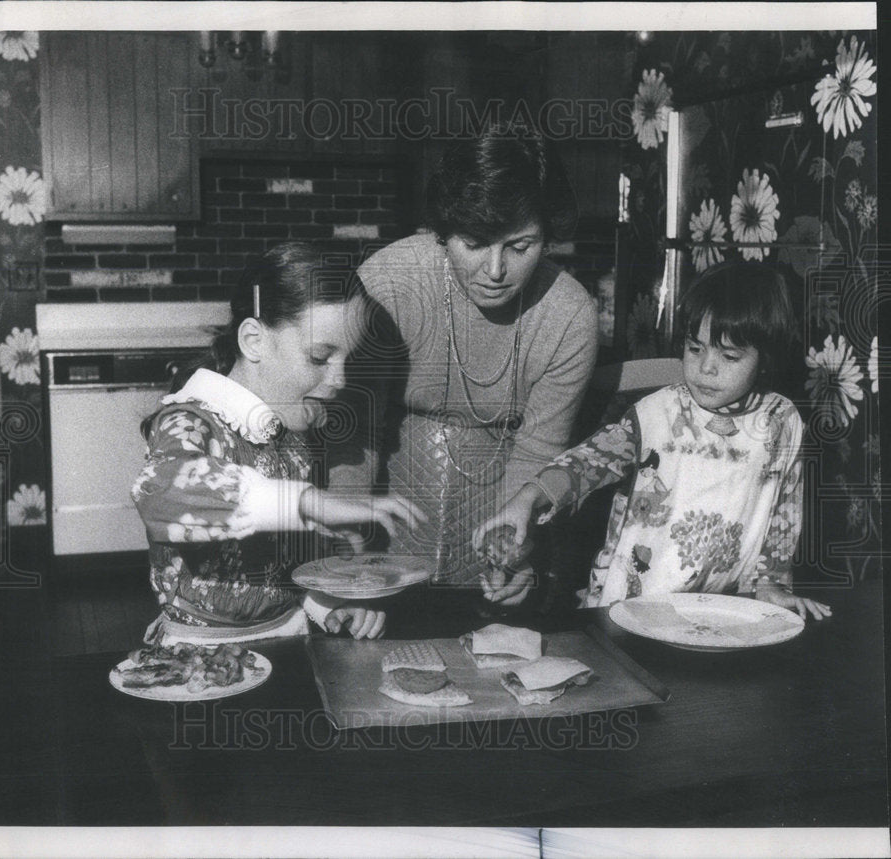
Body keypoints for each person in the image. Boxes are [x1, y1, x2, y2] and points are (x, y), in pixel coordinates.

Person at [329, 125, 598, 607]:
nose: (495, 271)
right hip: (379, 540)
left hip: (489, 551)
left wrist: (515, 553)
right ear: (440, 233)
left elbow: (538, 452)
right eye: (473, 243)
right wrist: (346, 525)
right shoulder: (388, 285)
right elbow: (356, 430)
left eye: (520, 247)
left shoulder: (570, 317)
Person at [474, 262, 832, 620]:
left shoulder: (781, 422)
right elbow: (587, 462)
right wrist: (529, 496)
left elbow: (784, 513)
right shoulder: (654, 414)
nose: (706, 367)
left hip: (726, 610)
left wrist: (772, 583)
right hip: (630, 605)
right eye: (695, 348)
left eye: (729, 356)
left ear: (764, 359)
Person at [132, 243, 424, 645]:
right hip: (199, 657)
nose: (339, 380)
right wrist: (306, 502)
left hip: (290, 641)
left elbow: (279, 567)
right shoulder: (189, 422)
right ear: (253, 340)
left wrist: (326, 603)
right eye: (320, 358)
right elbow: (160, 491)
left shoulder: (288, 428)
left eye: (347, 360)